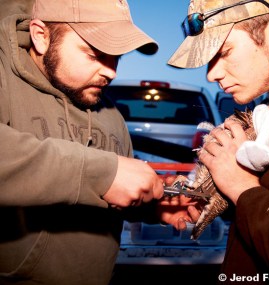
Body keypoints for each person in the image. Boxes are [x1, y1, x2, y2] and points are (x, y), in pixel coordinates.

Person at [0, 0, 199, 284]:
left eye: (117, 56)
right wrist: (102, 173)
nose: (112, 72)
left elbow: (108, 193)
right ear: (41, 36)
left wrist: (153, 203)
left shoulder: (110, 114)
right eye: (95, 54)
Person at [169, 0, 269, 283]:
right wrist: (214, 194)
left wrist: (241, 188)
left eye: (224, 52)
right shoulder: (267, 112)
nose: (211, 74)